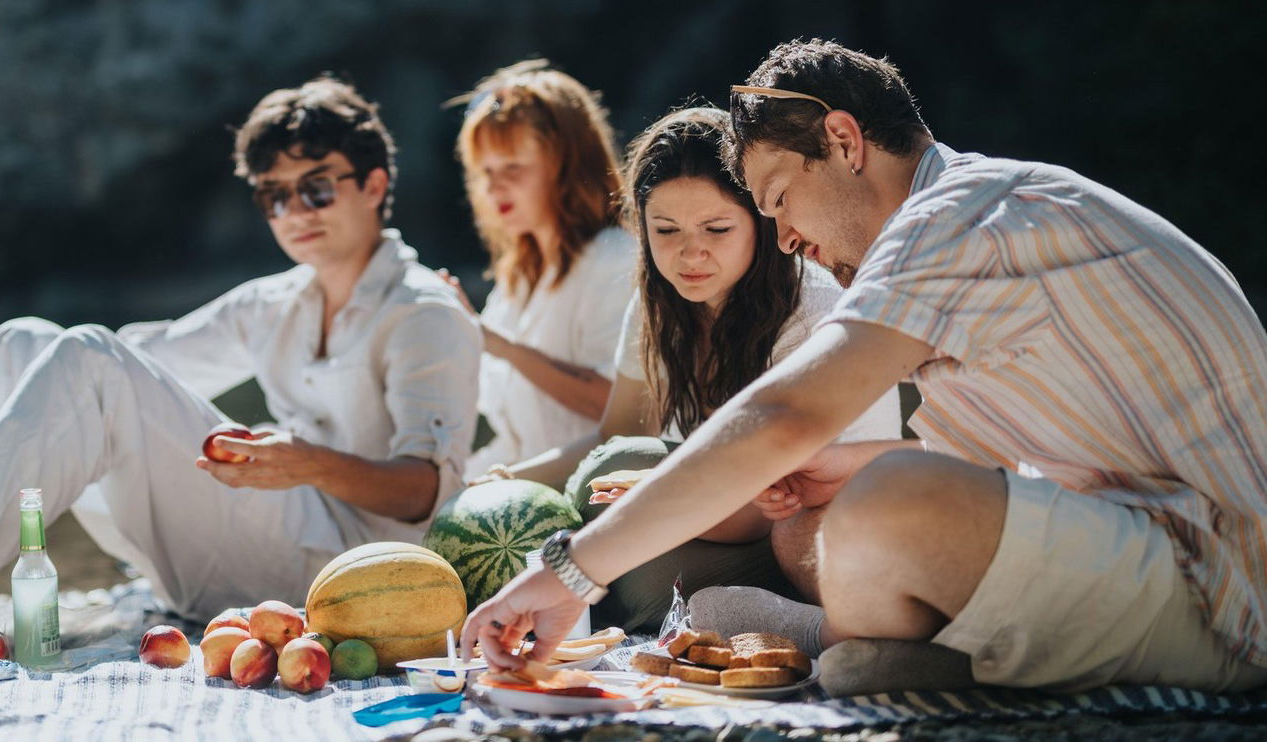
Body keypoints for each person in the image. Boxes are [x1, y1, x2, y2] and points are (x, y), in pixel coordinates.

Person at [460, 38, 1267, 698]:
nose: (782, 239)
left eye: (777, 199)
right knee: (840, 507)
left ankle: (825, 639)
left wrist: (568, 571)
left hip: (1216, 589)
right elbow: (985, 465)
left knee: (884, 508)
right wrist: (831, 465)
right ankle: (935, 660)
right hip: (1138, 542)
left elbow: (781, 415)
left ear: (843, 144)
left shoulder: (957, 215)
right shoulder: (973, 216)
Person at [0, 76, 482, 663]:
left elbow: (426, 491)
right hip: (254, 540)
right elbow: (128, 361)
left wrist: (300, 462)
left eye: (315, 188)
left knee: (81, 355)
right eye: (273, 197)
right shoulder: (276, 301)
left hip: (350, 579)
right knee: (33, 339)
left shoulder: (424, 314)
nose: (292, 214)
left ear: (375, 185)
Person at [481, 106, 900, 632]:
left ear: (760, 222)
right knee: (609, 473)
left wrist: (657, 496)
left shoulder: (810, 311)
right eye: (666, 230)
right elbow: (615, 435)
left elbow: (771, 505)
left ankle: (806, 627)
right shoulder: (659, 303)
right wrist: (497, 482)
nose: (690, 253)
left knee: (649, 575)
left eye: (717, 228)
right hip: (711, 508)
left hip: (811, 527)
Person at [436, 60, 635, 479]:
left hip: (593, 496)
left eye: (512, 168)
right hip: (518, 486)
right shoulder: (516, 279)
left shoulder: (615, 259)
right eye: (485, 171)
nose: (493, 187)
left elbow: (623, 411)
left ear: (567, 166)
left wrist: (498, 345)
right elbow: (505, 430)